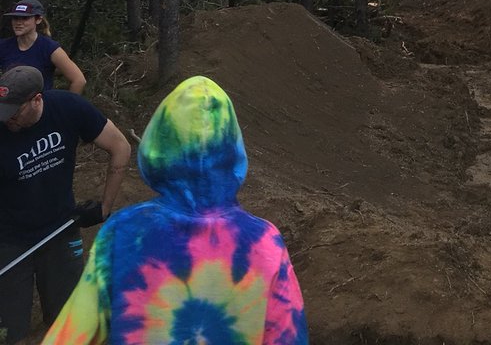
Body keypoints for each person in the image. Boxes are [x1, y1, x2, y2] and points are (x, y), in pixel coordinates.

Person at [43, 75, 309, 345]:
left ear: (159, 145)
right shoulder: (265, 243)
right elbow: (288, 336)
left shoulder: (123, 232)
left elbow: (73, 333)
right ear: (232, 151)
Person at [0, 65, 131, 345]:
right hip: (10, 241)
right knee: (10, 332)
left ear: (37, 99)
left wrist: (104, 206)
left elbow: (120, 146)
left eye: (14, 112)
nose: (8, 119)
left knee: (69, 321)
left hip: (60, 230)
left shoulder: (69, 107)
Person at [0, 0, 86, 94]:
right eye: (15, 18)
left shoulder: (50, 48)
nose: (18, 23)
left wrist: (68, 105)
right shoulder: (3, 46)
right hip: (9, 105)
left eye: (25, 18)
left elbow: (79, 80)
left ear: (38, 19)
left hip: (38, 106)